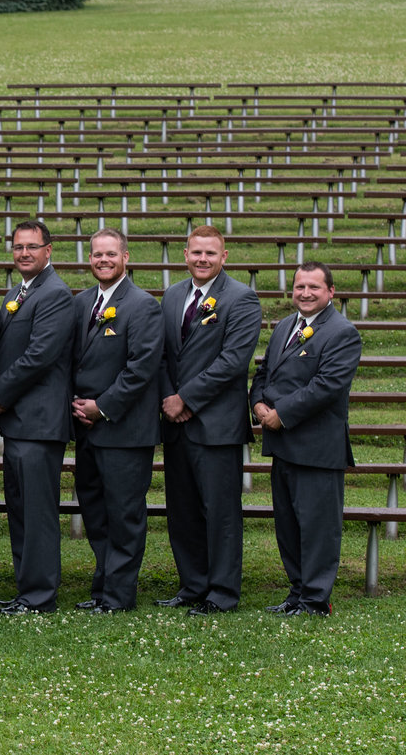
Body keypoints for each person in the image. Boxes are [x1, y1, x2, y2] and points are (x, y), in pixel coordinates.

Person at [156, 226, 261, 617]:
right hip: (175, 422)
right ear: (185, 254)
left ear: (224, 256)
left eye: (210, 253)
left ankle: (221, 592)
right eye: (196, 252)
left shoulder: (242, 299)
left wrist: (187, 398)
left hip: (215, 425)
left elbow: (233, 362)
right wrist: (170, 399)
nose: (203, 259)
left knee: (220, 514)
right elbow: (163, 354)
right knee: (182, 510)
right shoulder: (171, 296)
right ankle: (192, 584)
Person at [251, 262, 362, 617]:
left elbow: (327, 386)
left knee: (317, 529)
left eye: (314, 287)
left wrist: (280, 414)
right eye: (300, 287)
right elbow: (264, 371)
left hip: (316, 447)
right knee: (289, 526)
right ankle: (297, 593)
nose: (306, 293)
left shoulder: (342, 332)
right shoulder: (286, 325)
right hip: (283, 447)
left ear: (331, 292)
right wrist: (256, 402)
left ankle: (315, 600)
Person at [70, 229, 163, 614]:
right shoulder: (82, 303)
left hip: (123, 429)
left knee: (124, 515)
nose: (102, 260)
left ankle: (119, 596)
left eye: (110, 254)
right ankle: (104, 585)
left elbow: (140, 369)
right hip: (86, 428)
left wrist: (101, 406)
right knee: (95, 510)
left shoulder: (143, 305)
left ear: (126, 257)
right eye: (96, 255)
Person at [0, 220, 75, 615]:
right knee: (19, 508)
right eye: (18, 247)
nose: (24, 253)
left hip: (38, 421)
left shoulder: (54, 294)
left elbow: (39, 356)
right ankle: (27, 590)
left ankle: (39, 596)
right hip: (19, 422)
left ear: (48, 250)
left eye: (32, 247)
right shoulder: (18, 292)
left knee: (37, 513)